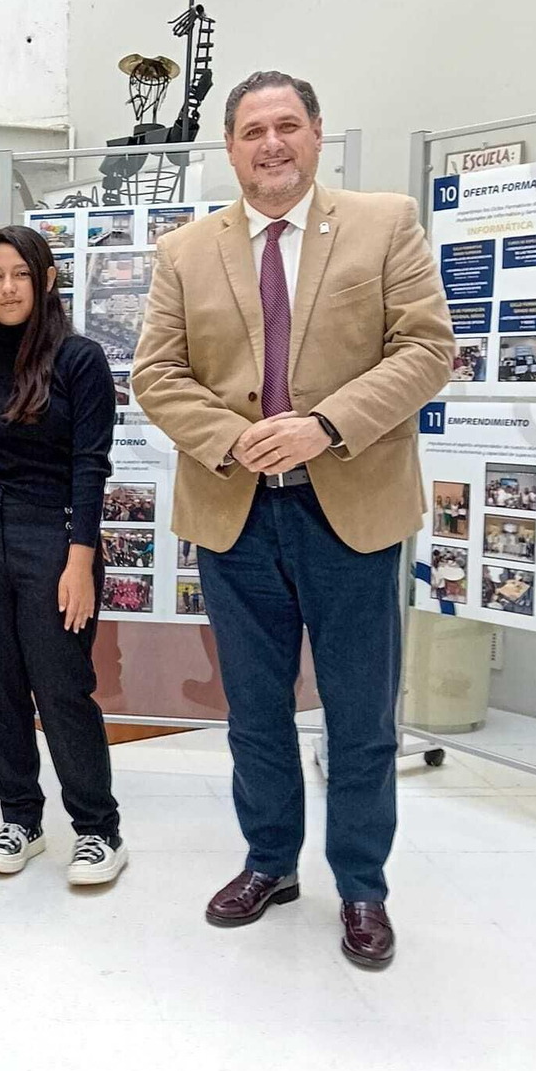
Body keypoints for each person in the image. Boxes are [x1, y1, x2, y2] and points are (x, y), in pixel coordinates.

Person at [132, 71, 454, 969]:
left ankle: (361, 887)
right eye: (250, 131)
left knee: (360, 716)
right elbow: (157, 374)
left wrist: (323, 426)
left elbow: (429, 348)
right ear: (229, 147)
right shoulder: (186, 250)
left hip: (349, 510)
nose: (269, 144)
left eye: (286, 126)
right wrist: (238, 441)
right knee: (255, 713)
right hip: (236, 514)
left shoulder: (384, 223)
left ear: (315, 135)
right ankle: (270, 863)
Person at [0, 225, 127, 887]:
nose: (7, 287)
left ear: (46, 279)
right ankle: (19, 816)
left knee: (61, 686)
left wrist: (80, 557)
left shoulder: (79, 359)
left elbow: (91, 462)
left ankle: (98, 830)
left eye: (20, 274)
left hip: (53, 536)